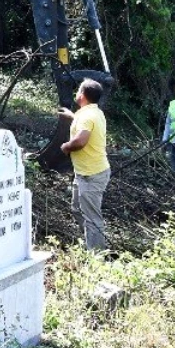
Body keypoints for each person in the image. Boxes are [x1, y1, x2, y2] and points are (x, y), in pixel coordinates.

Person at [59, 79, 111, 250]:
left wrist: (66, 147)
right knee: (76, 208)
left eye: (78, 91)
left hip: (92, 175)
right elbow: (86, 124)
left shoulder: (87, 116)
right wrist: (72, 116)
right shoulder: (92, 112)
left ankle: (97, 257)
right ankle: (92, 240)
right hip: (83, 173)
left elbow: (80, 141)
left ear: (82, 95)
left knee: (92, 218)